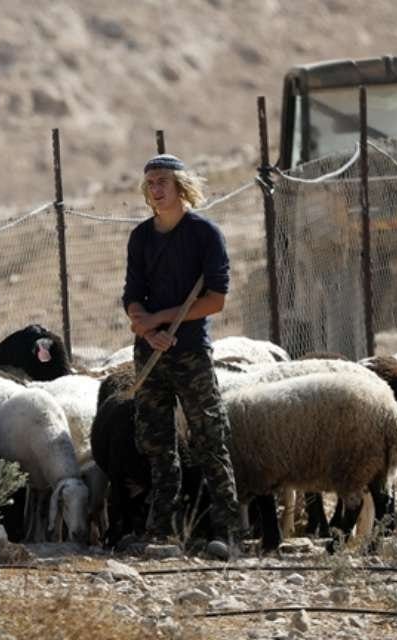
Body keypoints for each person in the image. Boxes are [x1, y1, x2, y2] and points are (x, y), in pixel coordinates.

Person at [122, 153, 243, 558]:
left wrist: (162, 320)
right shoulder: (140, 237)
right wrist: (146, 327)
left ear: (180, 187)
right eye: (150, 183)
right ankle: (162, 531)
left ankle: (226, 531)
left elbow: (215, 299)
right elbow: (132, 297)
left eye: (163, 182)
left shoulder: (204, 234)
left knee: (209, 438)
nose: (156, 190)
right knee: (156, 444)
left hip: (189, 351)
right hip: (151, 353)